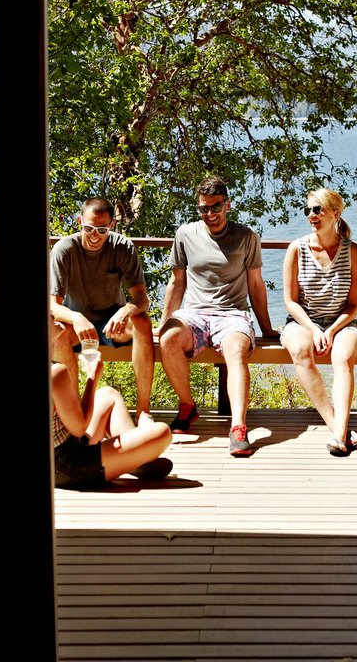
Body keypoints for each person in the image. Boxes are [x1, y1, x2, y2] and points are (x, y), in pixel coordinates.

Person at [158, 176, 278, 456]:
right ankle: (187, 407)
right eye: (204, 208)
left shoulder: (246, 237)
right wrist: (164, 322)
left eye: (216, 207)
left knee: (236, 350)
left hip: (232, 314)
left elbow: (256, 285)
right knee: (168, 339)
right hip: (194, 313)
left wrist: (267, 329)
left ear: (228, 205)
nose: (210, 214)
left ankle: (238, 427)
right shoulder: (185, 234)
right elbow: (177, 282)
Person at [50, 197, 157, 424]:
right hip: (76, 327)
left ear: (111, 226)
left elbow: (142, 299)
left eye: (101, 230)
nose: (94, 236)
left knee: (143, 322)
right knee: (57, 332)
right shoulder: (64, 249)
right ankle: (72, 413)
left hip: (111, 325)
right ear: (79, 221)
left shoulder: (123, 246)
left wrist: (126, 310)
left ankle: (143, 410)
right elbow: (52, 305)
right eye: (89, 228)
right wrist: (76, 318)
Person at [281, 187, 357, 456]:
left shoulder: (354, 252)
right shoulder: (296, 249)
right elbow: (290, 302)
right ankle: (339, 431)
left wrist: (330, 330)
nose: (311, 215)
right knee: (300, 350)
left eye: (317, 209)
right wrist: (313, 329)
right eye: (308, 210)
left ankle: (339, 433)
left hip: (343, 323)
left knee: (342, 357)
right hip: (303, 321)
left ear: (335, 213)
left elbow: (354, 305)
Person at [49, 315, 173, 487]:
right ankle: (136, 460)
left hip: (65, 447)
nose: (55, 319)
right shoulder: (56, 373)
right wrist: (92, 378)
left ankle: (133, 457)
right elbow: (79, 428)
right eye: (49, 317)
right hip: (68, 465)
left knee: (109, 394)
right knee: (162, 432)